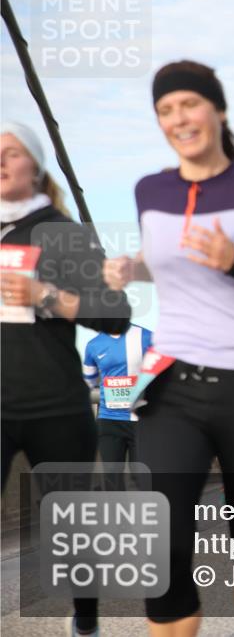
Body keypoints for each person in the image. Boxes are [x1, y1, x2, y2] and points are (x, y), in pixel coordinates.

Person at [103, 60, 234, 634]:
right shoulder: (150, 190)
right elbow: (172, 261)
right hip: (173, 384)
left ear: (217, 109)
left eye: (189, 104)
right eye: (165, 110)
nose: (178, 118)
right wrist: (133, 267)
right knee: (162, 544)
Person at [2, 121, 132, 637]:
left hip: (54, 407)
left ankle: (86, 621)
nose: (1, 160)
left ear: (35, 167)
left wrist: (44, 296)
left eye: (12, 152)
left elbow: (115, 313)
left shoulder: (60, 232)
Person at [83, 325, 154, 465]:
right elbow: (89, 381)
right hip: (109, 420)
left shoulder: (148, 337)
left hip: (141, 420)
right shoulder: (93, 345)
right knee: (111, 476)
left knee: (141, 474)